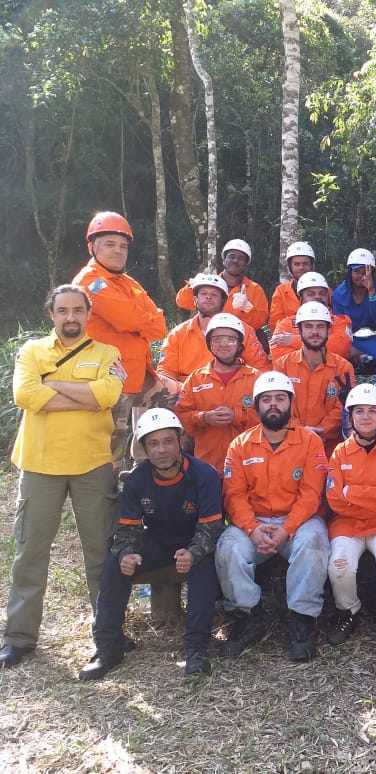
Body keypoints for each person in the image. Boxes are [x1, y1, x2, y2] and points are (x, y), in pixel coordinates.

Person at [0, 285, 125, 669]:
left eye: (78, 310)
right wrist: (86, 395)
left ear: (88, 314)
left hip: (92, 464)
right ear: (51, 314)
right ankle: (19, 637)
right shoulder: (31, 351)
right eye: (63, 310)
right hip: (39, 465)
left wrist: (51, 385)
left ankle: (108, 634)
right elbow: (25, 395)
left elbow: (109, 395)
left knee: (99, 553)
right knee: (30, 553)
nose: (71, 317)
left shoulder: (108, 353)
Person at [79, 410, 222, 680]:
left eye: (168, 441)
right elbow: (127, 530)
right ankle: (108, 648)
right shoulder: (137, 479)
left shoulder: (204, 474)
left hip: (195, 541)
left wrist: (193, 552)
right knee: (115, 562)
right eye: (153, 444)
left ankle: (196, 649)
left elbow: (212, 527)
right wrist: (127, 553)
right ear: (144, 449)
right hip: (157, 540)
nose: (161, 450)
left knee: (205, 566)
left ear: (180, 442)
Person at [216, 371, 330, 661]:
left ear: (291, 403)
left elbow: (311, 494)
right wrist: (252, 528)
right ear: (256, 406)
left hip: (298, 521)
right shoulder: (240, 445)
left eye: (280, 398)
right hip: (253, 522)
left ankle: (303, 621)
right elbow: (234, 495)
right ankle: (247, 618)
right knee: (228, 548)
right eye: (266, 399)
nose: (273, 404)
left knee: (313, 543)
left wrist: (286, 530)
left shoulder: (310, 442)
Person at [72, 212, 169, 468]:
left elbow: (160, 326)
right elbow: (129, 319)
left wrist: (141, 322)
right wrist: (141, 320)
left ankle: (144, 476)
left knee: (172, 409)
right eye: (110, 244)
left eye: (123, 246)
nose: (118, 251)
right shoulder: (91, 281)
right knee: (109, 450)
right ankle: (106, 491)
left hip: (137, 374)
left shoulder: (127, 282)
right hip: (110, 378)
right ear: (92, 247)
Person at [324, 385, 376, 647]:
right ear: (350, 416)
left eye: (372, 411)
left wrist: (353, 493)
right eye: (359, 411)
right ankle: (347, 611)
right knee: (339, 565)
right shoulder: (339, 452)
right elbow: (335, 499)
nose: (365, 417)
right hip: (347, 525)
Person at [174, 313, 260, 469]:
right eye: (218, 339)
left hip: (247, 466)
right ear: (210, 344)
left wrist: (237, 416)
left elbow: (267, 419)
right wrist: (203, 418)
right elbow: (181, 416)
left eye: (231, 339)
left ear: (240, 344)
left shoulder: (256, 378)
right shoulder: (196, 379)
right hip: (208, 466)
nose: (224, 344)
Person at [273, 301, 357, 458]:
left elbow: (344, 406)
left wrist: (322, 430)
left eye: (320, 326)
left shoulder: (343, 368)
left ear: (329, 330)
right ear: (299, 330)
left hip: (330, 448)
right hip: (289, 443)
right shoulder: (283, 365)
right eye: (308, 326)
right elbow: (277, 405)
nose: (314, 332)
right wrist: (300, 430)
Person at [158, 272, 269, 390]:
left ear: (223, 301)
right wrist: (184, 391)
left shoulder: (244, 330)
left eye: (214, 294)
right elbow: (165, 372)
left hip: (232, 392)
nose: (208, 297)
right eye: (203, 293)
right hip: (187, 394)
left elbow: (261, 368)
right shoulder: (178, 334)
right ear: (195, 300)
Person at [176, 238, 269, 332]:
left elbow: (260, 322)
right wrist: (193, 286)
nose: (235, 260)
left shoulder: (255, 289)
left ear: (246, 264)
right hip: (208, 334)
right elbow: (182, 302)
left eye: (241, 258)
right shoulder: (209, 284)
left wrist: (247, 309)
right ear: (224, 260)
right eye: (232, 256)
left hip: (240, 337)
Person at [269, 271, 353, 362]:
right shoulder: (285, 324)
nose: (318, 297)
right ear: (301, 299)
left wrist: (294, 341)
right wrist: (321, 352)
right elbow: (280, 358)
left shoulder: (341, 321)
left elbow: (341, 348)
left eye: (322, 293)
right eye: (311, 294)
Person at [331, 248, 376, 367]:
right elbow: (339, 326)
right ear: (350, 272)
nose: (361, 276)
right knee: (335, 355)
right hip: (350, 340)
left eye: (365, 272)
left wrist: (371, 291)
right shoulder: (339, 294)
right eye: (356, 271)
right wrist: (350, 347)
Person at [269, 241, 316, 330]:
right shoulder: (281, 292)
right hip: (288, 338)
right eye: (296, 264)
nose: (301, 267)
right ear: (290, 266)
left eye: (305, 263)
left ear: (312, 265)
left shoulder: (324, 290)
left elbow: (332, 320)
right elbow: (275, 324)